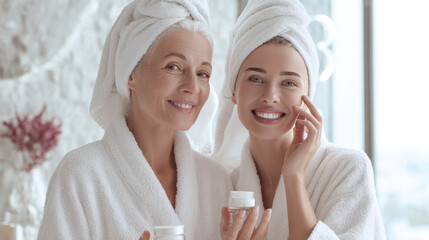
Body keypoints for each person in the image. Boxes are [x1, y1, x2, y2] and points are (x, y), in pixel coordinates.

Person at [37, 0, 235, 239]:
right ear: (131, 73)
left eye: (203, 73)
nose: (192, 86)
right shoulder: (81, 174)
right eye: (173, 67)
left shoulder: (215, 179)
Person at [215, 0, 386, 239]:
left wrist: (293, 176)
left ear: (308, 96)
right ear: (232, 90)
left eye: (288, 83)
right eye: (255, 78)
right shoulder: (222, 186)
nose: (270, 96)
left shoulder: (348, 170)